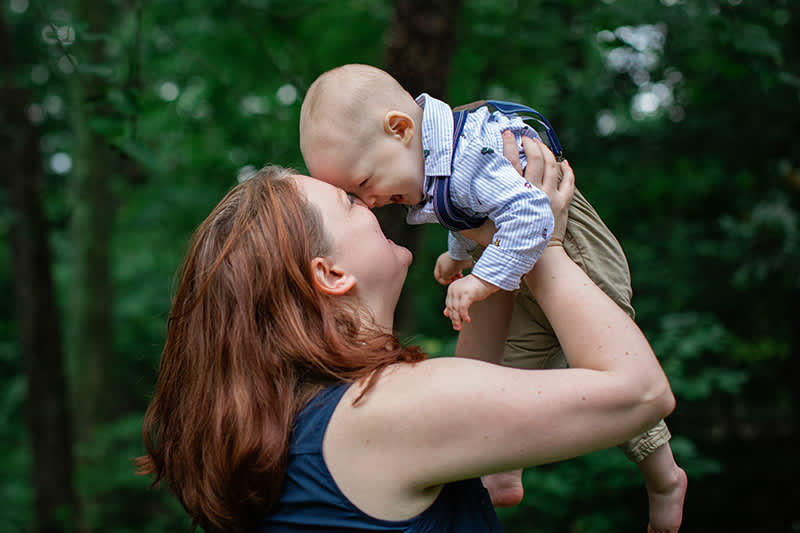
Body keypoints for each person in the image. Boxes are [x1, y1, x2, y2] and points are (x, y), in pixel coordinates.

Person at [137, 137, 676, 532]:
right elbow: (641, 392)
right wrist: (546, 240)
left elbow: (484, 391)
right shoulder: (383, 410)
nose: (369, 201)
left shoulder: (312, 422)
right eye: (349, 202)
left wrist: (502, 227)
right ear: (329, 274)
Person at [299, 64, 686, 531]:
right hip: (525, 252)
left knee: (603, 360)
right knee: (514, 359)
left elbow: (523, 211)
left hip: (570, 250)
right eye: (350, 200)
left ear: (400, 128)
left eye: (360, 187)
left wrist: (480, 275)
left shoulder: (469, 154)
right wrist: (465, 255)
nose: (370, 203)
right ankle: (502, 470)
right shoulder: (430, 165)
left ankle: (663, 476)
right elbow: (473, 211)